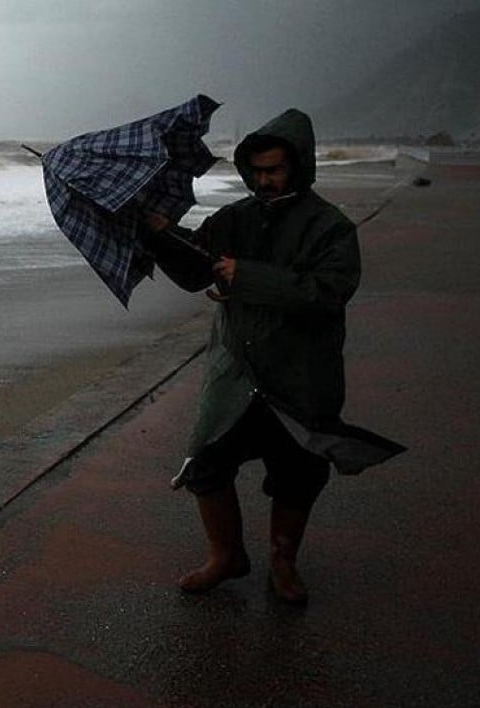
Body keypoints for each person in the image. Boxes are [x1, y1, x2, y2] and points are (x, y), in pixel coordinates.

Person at [144, 108, 360, 606]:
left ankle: (283, 561)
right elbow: (197, 270)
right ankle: (226, 557)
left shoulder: (331, 228)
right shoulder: (233, 218)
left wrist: (250, 278)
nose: (264, 180)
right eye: (256, 170)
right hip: (236, 372)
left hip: (300, 374)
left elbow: (327, 293)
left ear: (299, 166)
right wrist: (159, 233)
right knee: (206, 464)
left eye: (274, 170)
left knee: (298, 475)